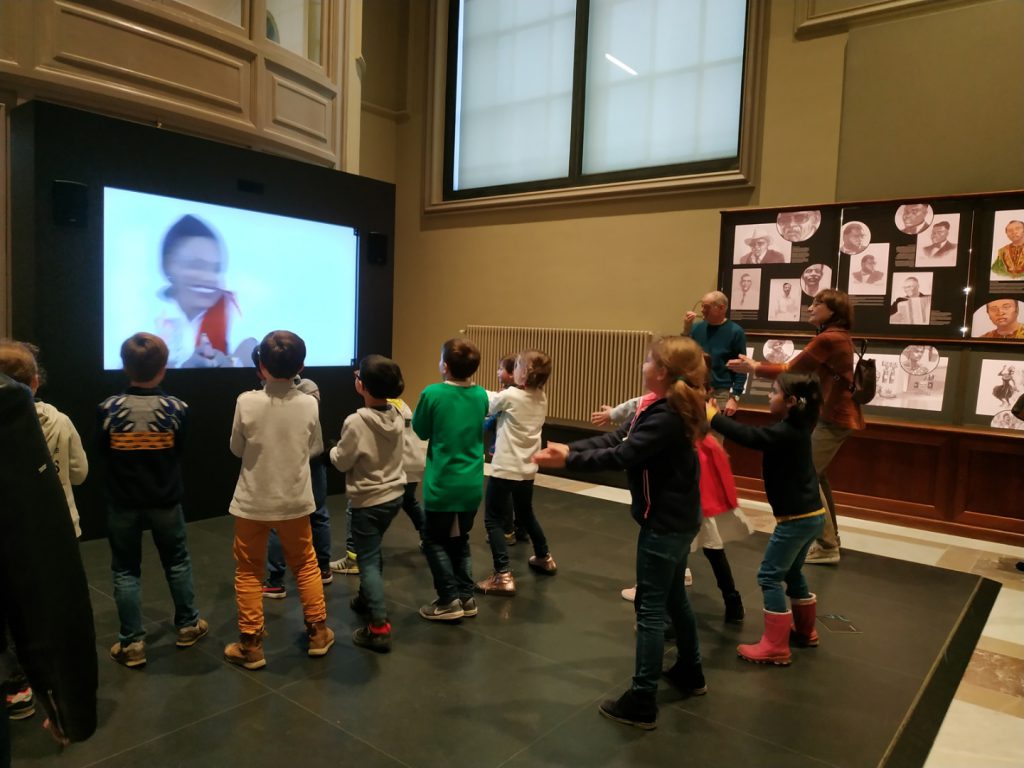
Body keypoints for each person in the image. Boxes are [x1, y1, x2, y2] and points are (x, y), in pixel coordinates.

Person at [533, 337, 705, 730]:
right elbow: (617, 438)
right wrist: (570, 448)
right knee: (675, 598)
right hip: (678, 519)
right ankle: (690, 672)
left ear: (662, 371)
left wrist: (569, 460)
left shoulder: (666, 415)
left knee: (649, 609)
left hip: (666, 524)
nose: (643, 365)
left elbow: (623, 455)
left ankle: (642, 700)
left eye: (648, 360)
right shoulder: (661, 405)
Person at [728, 289, 865, 565]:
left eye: (818, 304)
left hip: (834, 417)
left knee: (807, 475)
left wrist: (755, 367)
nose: (811, 307)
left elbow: (792, 369)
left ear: (833, 311)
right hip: (835, 416)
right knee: (816, 475)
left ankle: (827, 546)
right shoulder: (836, 337)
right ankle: (830, 538)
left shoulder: (829, 339)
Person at [97, 333, 208, 667]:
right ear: (164, 367)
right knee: (177, 561)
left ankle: (132, 643)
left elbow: (102, 453)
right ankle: (188, 625)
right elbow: (181, 451)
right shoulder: (177, 409)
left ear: (124, 365)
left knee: (125, 569)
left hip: (122, 501)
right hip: (165, 500)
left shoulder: (108, 409)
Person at [224, 330, 333, 669]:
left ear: (260, 365)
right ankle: (317, 633)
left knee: (248, 571)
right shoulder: (309, 403)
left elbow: (236, 448)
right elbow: (314, 448)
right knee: (305, 565)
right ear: (301, 365)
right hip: (294, 501)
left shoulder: (246, 401)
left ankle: (251, 644)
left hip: (252, 501)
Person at [708, 374, 825, 666]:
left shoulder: (788, 432)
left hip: (796, 519)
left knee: (769, 575)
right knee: (793, 571)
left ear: (791, 401)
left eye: (774, 392)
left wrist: (712, 416)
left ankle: (775, 645)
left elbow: (750, 437)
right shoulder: (794, 427)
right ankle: (806, 631)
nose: (769, 396)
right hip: (811, 516)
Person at [0, 341, 89, 721]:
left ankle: (16, 681)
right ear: (35, 382)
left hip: (10, 535)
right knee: (49, 607)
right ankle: (45, 683)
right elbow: (80, 472)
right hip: (58, 527)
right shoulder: (60, 421)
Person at [330, 355, 406, 652]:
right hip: (393, 497)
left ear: (362, 385)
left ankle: (378, 626)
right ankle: (365, 597)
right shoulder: (398, 414)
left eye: (358, 374)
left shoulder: (356, 421)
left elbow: (342, 460)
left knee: (368, 561)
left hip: (368, 501)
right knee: (372, 552)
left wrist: (331, 452)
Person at [412, 338, 489, 621]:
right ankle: (466, 597)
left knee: (433, 540)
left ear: (444, 366)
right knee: (459, 539)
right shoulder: (481, 395)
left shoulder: (432, 393)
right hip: (470, 484)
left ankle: (447, 599)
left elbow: (420, 430)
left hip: (442, 484)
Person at [476, 350, 555, 596]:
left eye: (517, 366)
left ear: (523, 374)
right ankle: (544, 556)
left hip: (505, 468)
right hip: (527, 468)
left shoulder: (510, 395)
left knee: (492, 519)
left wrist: (471, 389)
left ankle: (503, 574)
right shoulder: (541, 397)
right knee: (526, 512)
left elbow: (488, 404)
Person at [261, 352, 333, 597]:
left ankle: (283, 577)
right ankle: (282, 577)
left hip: (305, 461)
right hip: (302, 461)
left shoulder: (305, 389)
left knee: (304, 516)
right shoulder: (305, 389)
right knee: (308, 516)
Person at [154, 214, 256, 368]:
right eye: (197, 266)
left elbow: (249, 347)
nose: (208, 278)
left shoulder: (232, 309)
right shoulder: (144, 314)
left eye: (215, 269)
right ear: (169, 265)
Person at [682, 291, 747, 415]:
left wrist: (735, 397)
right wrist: (686, 328)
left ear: (722, 308)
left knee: (715, 433)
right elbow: (683, 354)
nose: (702, 310)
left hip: (720, 393)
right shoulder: (696, 328)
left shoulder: (735, 332)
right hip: (695, 389)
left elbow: (741, 367)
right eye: (701, 306)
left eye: (706, 307)